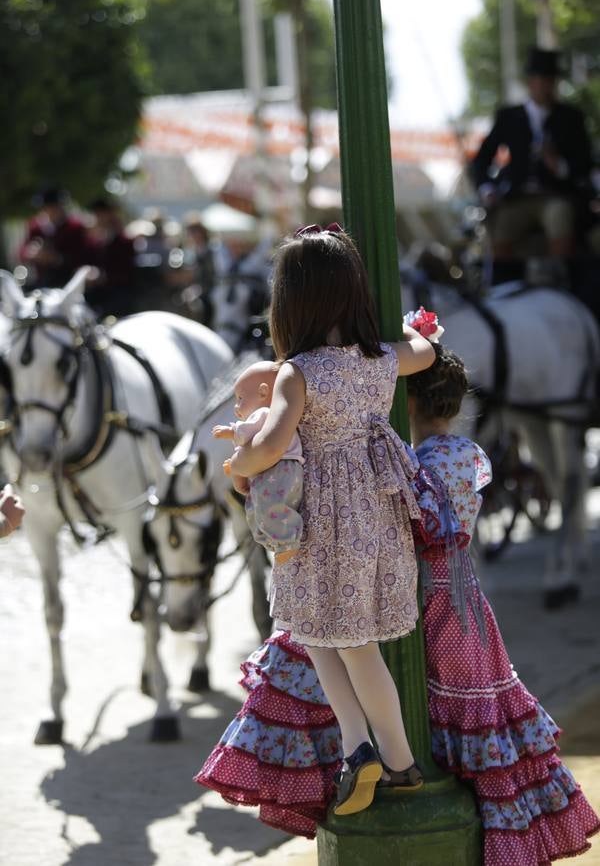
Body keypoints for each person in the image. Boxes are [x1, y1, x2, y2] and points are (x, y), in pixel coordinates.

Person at [195, 343, 600, 865]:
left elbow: (417, 520)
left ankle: (373, 757)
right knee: (467, 718)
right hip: (462, 596)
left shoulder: (412, 461)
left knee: (331, 651)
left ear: (403, 402)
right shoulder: (468, 455)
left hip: (421, 593)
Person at [212, 225, 435, 817]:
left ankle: (372, 751)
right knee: (350, 643)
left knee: (326, 641)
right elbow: (426, 350)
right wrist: (409, 321)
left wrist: (238, 462)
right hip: (378, 515)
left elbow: (272, 443)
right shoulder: (382, 358)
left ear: (291, 302)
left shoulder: (299, 371)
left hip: (320, 521)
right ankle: (382, 755)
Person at [471, 46, 593, 283]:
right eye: (539, 79)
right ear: (530, 81)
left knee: (560, 217)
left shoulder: (571, 118)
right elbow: (482, 159)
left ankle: (561, 283)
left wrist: (558, 164)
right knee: (502, 227)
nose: (544, 85)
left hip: (555, 196)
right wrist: (487, 189)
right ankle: (505, 285)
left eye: (549, 80)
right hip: (516, 197)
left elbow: (585, 164)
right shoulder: (509, 116)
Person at [212, 360, 304, 565]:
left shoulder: (264, 413)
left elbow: (246, 434)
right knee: (258, 508)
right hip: (278, 470)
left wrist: (231, 431)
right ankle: (273, 541)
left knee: (270, 507)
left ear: (263, 392)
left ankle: (287, 542)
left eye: (240, 398)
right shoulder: (271, 417)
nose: (236, 408)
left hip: (280, 468)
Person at [18, 188, 89, 289]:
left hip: (69, 281)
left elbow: (84, 256)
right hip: (41, 281)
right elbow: (21, 251)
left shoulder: (75, 227)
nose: (51, 211)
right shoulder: (35, 227)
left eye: (54, 207)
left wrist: (57, 259)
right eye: (47, 207)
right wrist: (31, 253)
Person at [85, 198, 137, 318]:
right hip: (96, 294)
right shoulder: (93, 241)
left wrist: (105, 277)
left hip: (118, 294)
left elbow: (127, 272)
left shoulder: (124, 241)